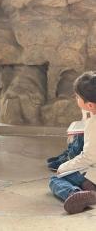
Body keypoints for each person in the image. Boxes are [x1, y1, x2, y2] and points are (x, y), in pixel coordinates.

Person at [49, 71, 96, 214]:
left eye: (77, 97)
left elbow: (89, 157)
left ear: (89, 105)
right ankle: (87, 187)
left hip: (93, 169)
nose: (75, 98)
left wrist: (64, 167)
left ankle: (73, 193)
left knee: (55, 179)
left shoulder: (93, 124)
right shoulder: (91, 116)